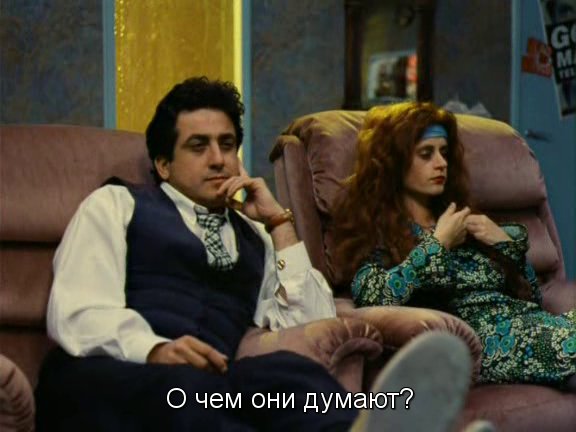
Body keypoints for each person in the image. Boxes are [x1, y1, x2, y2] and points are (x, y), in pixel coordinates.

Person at [35, 77, 477, 432]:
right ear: (163, 164)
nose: (218, 159)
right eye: (198, 146)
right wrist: (153, 349)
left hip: (209, 385)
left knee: (291, 375)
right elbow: (77, 311)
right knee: (189, 397)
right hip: (107, 376)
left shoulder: (253, 233)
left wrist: (279, 224)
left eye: (227, 145)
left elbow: (311, 320)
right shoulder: (118, 205)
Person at [333, 101, 576, 389]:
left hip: (534, 323)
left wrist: (504, 244)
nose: (441, 163)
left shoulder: (462, 219)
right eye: (426, 154)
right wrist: (437, 245)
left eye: (444, 152)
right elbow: (372, 298)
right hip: (490, 341)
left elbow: (533, 298)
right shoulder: (379, 233)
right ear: (395, 163)